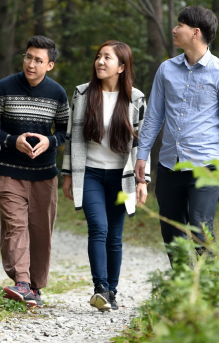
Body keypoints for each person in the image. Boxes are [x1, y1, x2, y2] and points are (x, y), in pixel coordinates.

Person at [134, 6, 219, 261]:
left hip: (205, 166)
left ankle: (208, 290)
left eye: (180, 25)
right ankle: (183, 291)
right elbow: (153, 115)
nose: (174, 29)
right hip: (168, 165)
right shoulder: (166, 70)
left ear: (195, 32)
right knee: (171, 232)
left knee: (200, 228)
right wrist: (142, 155)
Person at [62, 41, 148, 312]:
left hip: (122, 177)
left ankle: (112, 291)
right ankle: (99, 288)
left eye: (107, 58)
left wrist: (143, 181)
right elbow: (72, 137)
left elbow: (142, 144)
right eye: (98, 56)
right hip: (89, 174)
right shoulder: (82, 93)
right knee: (98, 227)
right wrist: (67, 174)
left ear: (121, 67)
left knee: (115, 236)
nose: (100, 62)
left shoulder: (136, 98)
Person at [0, 35, 69, 308]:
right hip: (9, 171)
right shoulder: (3, 88)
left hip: (44, 175)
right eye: (28, 57)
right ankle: (21, 281)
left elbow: (64, 130)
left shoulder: (57, 93)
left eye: (38, 60)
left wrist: (50, 142)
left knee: (40, 232)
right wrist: (13, 141)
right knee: (15, 226)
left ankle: (34, 288)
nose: (31, 64)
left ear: (50, 65)